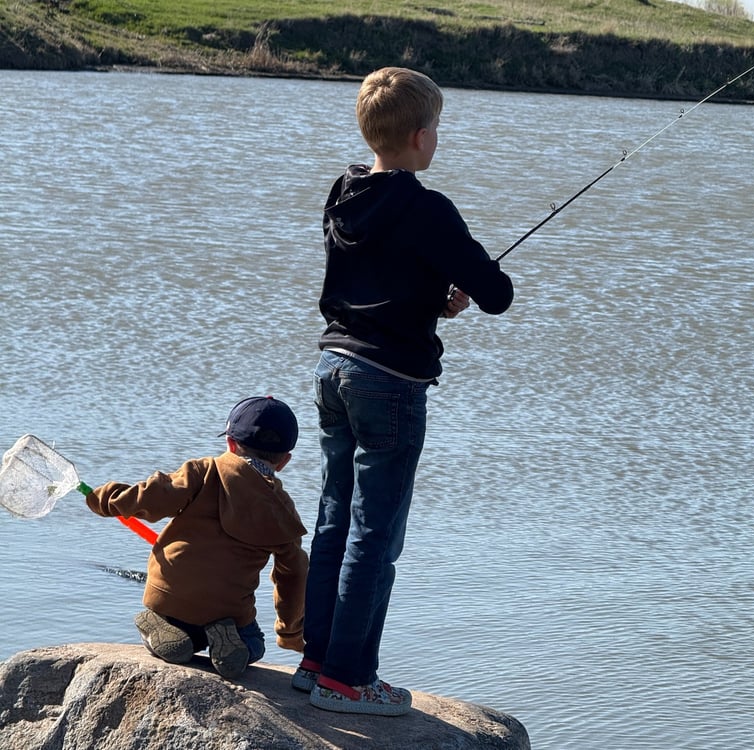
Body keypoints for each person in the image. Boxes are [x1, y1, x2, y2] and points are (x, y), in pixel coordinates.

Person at [291, 67, 514, 715]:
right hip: (389, 382)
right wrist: (460, 289)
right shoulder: (428, 207)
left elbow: (371, 276)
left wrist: (428, 300)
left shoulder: (343, 190)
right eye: (437, 129)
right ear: (420, 138)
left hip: (333, 366)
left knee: (335, 517)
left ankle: (316, 660)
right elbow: (496, 295)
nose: (437, 139)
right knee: (374, 533)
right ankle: (349, 678)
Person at [85, 396, 308, 680]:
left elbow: (153, 496)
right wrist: (290, 632)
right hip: (229, 611)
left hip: (170, 599)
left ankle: (158, 625)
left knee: (175, 618)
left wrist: (105, 499)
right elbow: (294, 574)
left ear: (230, 443)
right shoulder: (283, 513)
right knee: (254, 644)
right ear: (284, 461)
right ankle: (224, 640)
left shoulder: (204, 472)